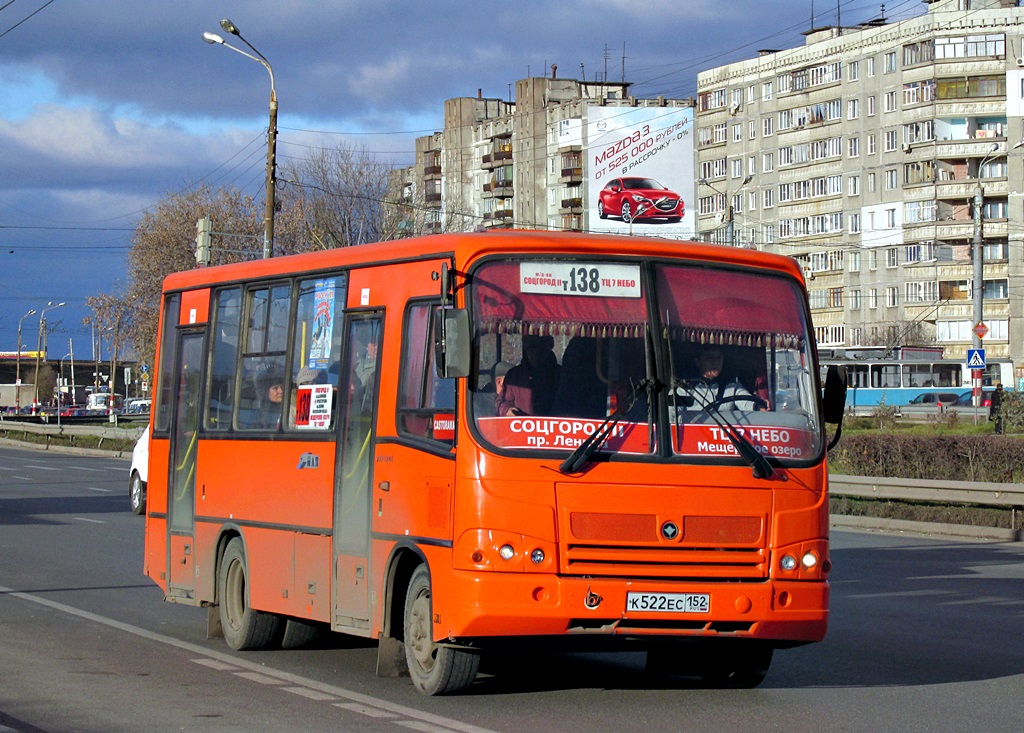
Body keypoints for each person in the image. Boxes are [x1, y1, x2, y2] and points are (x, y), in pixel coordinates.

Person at [677, 345, 760, 413]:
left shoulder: (732, 386)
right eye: (709, 358)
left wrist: (758, 406)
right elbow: (672, 416)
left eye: (719, 358)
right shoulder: (684, 389)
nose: (715, 362)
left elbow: (746, 401)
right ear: (698, 362)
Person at [497, 336, 560, 417]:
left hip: (555, 427)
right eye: (532, 351)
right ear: (526, 353)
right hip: (521, 427)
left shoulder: (560, 375)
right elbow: (501, 402)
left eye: (541, 351)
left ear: (548, 351)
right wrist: (507, 410)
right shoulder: (514, 376)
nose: (536, 356)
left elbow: (569, 404)